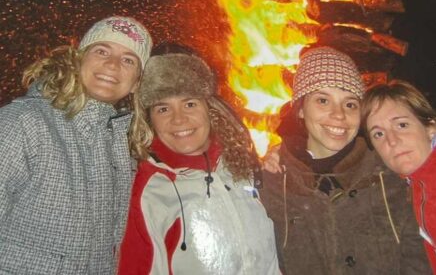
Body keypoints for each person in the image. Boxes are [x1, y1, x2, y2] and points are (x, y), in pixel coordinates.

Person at [0, 16, 152, 274]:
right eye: (101, 51)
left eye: (128, 59)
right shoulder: (24, 123)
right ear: (78, 59)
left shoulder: (122, 151)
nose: (112, 64)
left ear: (136, 82)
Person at [260, 46, 431, 274]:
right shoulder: (272, 182)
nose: (339, 114)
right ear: (300, 109)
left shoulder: (387, 172)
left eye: (350, 104)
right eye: (323, 100)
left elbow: (418, 259)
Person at [118, 51, 280, 274]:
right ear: (150, 120)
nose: (178, 119)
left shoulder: (241, 167)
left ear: (209, 110)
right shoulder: (148, 191)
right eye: (163, 109)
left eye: (190, 104)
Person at [361, 80, 436, 273]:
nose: (392, 141)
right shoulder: (408, 184)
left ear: (430, 127)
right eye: (378, 134)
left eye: (402, 125)